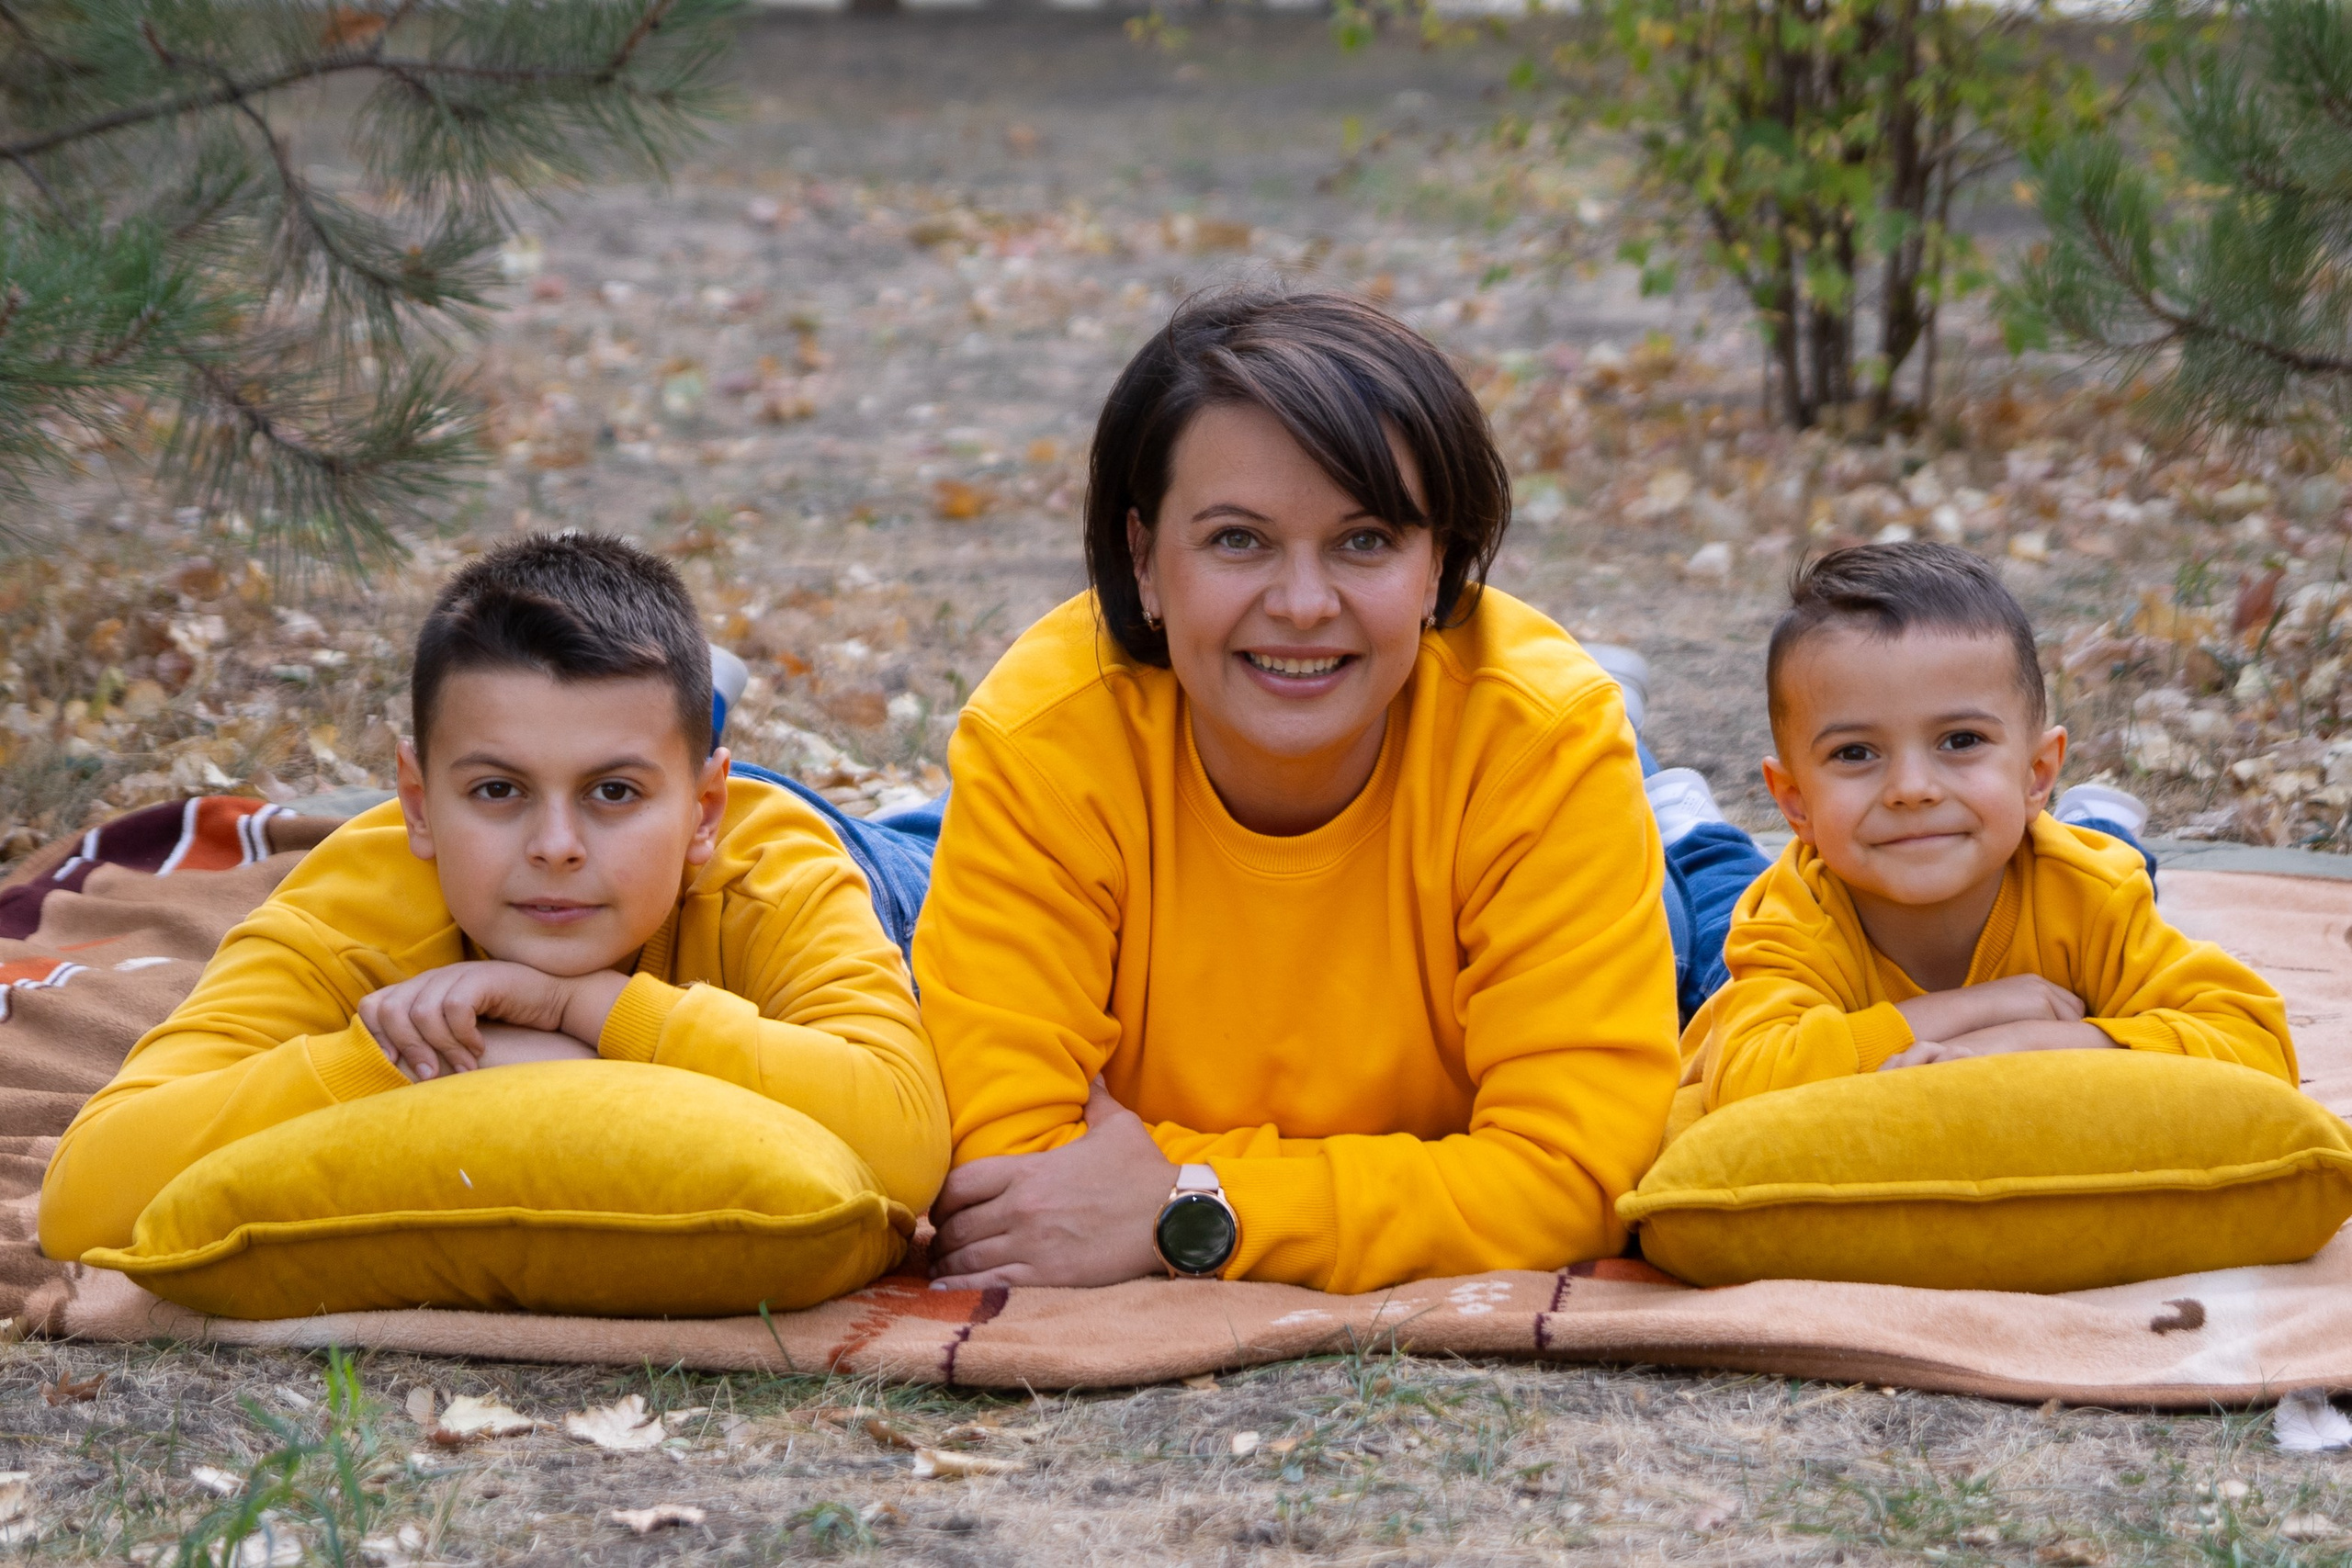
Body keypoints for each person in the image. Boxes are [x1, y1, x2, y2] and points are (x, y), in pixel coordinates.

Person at [912, 289, 1689, 1296]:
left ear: (1438, 563)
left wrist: (1187, 1203)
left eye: (1364, 541)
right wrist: (1432, 1180)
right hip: (1060, 804)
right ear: (1144, 561)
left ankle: (1675, 808)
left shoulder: (1542, 745)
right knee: (856, 874)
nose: (1303, 605)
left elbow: (1577, 1176)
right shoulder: (1041, 741)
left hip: (1573, 838)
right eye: (1238, 539)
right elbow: (1008, 1167)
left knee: (1706, 920)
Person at [41, 535, 951, 1262]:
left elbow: (906, 1145)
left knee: (952, 837)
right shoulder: (363, 895)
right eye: (497, 791)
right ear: (416, 805)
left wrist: (580, 1007)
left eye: (608, 793)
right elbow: (84, 1198)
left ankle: (668, 750)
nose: (554, 849)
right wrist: (413, 1059)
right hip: (663, 797)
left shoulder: (766, 870)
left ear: (705, 810)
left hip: (881, 875)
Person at [1684, 541, 2295, 1110]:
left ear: (2036, 774)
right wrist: (1977, 1006)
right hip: (1761, 910)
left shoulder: (2087, 894)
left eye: (1960, 740)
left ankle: (2099, 820)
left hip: (2058, 856)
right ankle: (1683, 817)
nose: (1912, 788)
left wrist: (2029, 1040)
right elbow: (1747, 1077)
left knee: (2111, 866)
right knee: (1715, 890)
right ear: (1794, 802)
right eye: (1855, 753)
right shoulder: (1791, 920)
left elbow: (2256, 1046)